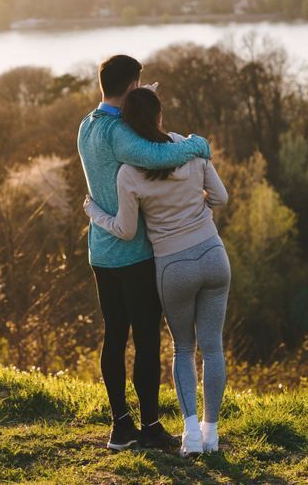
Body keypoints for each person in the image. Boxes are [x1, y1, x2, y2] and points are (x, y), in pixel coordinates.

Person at [84, 86, 230, 457]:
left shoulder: (130, 174)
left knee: (184, 347)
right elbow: (221, 198)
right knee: (213, 348)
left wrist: (93, 213)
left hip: (173, 266)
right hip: (213, 255)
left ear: (129, 129)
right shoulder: (190, 147)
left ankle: (191, 437)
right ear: (160, 115)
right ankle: (210, 433)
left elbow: (126, 230)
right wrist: (199, 207)